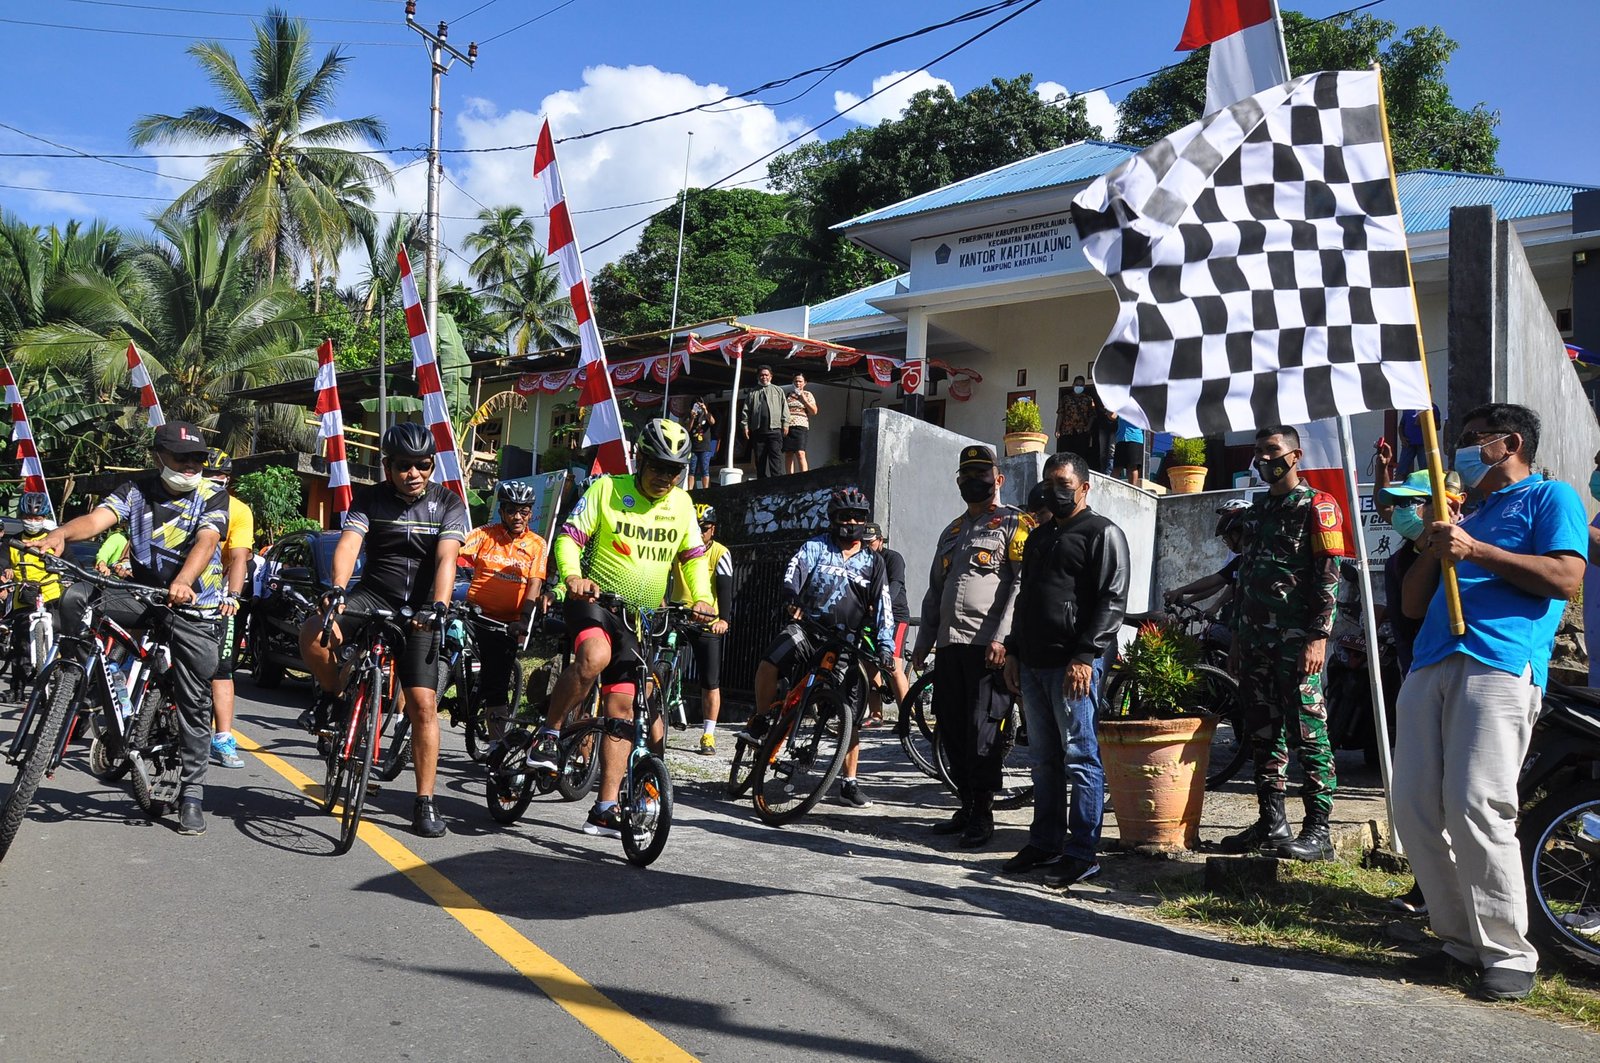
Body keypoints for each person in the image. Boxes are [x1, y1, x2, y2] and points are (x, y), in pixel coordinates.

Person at [1394, 403, 1587, 1002]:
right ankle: (1457, 940)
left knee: (1478, 804)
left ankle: (1509, 951)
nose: (1463, 450)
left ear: (1509, 443)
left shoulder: (1550, 498)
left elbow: (1565, 578)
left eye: (1473, 439)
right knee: (1416, 808)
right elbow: (1408, 603)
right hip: (1432, 659)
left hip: (1500, 662)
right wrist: (1434, 543)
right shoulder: (1466, 510)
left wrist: (1477, 552)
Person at [525, 419, 714, 838]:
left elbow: (694, 557)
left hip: (639, 618)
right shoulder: (607, 490)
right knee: (594, 658)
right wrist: (573, 576)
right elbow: (570, 537)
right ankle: (550, 733)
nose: (666, 477)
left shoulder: (682, 505)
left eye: (675, 470)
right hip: (596, 602)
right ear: (641, 460)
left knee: (622, 710)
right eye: (659, 467)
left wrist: (703, 598)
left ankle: (605, 806)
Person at [43, 421, 227, 836]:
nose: (191, 465)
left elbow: (207, 541)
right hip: (143, 594)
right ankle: (74, 678)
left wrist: (184, 580)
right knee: (76, 596)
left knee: (194, 700)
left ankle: (192, 793)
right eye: (182, 457)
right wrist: (61, 533)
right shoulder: (135, 489)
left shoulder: (212, 493)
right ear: (158, 456)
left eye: (198, 458)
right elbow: (97, 519)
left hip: (195, 606)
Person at [298, 423, 469, 839]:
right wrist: (338, 589)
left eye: (423, 465)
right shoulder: (370, 498)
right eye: (405, 466)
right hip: (373, 596)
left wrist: (441, 606)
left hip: (424, 609)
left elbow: (448, 558)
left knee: (424, 706)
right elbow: (349, 544)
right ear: (388, 466)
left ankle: (425, 802)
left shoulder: (448, 503)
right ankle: (338, 696)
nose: (415, 473)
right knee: (314, 633)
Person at [1221, 425, 1348, 862]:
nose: (1263, 459)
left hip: (1297, 643)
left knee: (1308, 733)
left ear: (1295, 456)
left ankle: (1319, 831)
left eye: (1272, 451)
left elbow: (1329, 579)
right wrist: (1237, 636)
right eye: (1258, 451)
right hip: (1255, 640)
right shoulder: (1255, 512)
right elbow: (1245, 577)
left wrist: (1318, 637)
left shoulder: (1318, 506)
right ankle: (1271, 822)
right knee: (1262, 732)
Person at [1001, 452, 1128, 885]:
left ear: (1084, 487)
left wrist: (1085, 655)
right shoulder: (1039, 537)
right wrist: (1014, 650)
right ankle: (1044, 842)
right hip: (1033, 663)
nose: (1055, 491)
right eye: (1049, 482)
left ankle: (1082, 851)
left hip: (1074, 665)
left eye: (1064, 483)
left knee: (1080, 756)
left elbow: (1112, 601)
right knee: (1042, 759)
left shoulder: (1103, 533)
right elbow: (1025, 599)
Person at [737, 486, 895, 808]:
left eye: (857, 517)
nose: (851, 522)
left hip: (844, 644)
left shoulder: (874, 562)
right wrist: (790, 598)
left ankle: (849, 782)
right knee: (769, 663)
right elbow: (793, 572)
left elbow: (884, 607)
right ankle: (762, 717)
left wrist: (885, 646)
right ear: (832, 518)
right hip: (807, 630)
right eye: (844, 516)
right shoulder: (816, 547)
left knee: (848, 714)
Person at [910, 445, 1029, 847]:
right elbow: (934, 593)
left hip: (986, 647)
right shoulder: (952, 531)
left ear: (998, 479)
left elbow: (1019, 584)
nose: (971, 480)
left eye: (981, 473)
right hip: (949, 647)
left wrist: (1002, 638)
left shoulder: (1016, 524)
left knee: (983, 732)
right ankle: (965, 804)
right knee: (952, 727)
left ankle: (983, 813)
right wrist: (922, 646)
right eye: (965, 474)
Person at [460, 480, 549, 741]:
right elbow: (453, 549)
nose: (517, 516)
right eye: (511, 510)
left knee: (496, 685)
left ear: (531, 513)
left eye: (524, 511)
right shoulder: (484, 534)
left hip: (507, 623)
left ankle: (497, 745)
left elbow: (535, 582)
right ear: (502, 511)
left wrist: (524, 620)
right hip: (475, 614)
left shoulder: (537, 544)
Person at [202, 449, 252, 771]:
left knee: (222, 667)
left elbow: (238, 558)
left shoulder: (239, 511)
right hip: (169, 586)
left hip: (214, 593)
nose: (213, 485)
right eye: (208, 479)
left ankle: (222, 737)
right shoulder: (181, 499)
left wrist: (232, 595)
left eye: (219, 481)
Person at [672, 503, 733, 755]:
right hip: (678, 615)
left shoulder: (720, 553)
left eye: (705, 529)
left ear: (713, 529)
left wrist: (724, 620)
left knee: (710, 681)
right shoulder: (678, 548)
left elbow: (725, 588)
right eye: (696, 528)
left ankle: (708, 734)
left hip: (707, 620)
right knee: (654, 665)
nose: (700, 533)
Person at [1164, 499, 1250, 650]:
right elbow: (1220, 580)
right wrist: (1186, 596)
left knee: (1203, 642)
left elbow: (1221, 583)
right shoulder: (1240, 559)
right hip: (1236, 622)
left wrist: (1215, 605)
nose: (1227, 543)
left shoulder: (1254, 560)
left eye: (1227, 537)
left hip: (1250, 629)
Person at [2, 492, 63, 693]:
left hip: (51, 593)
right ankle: (17, 689)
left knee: (63, 639)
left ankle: (64, 684)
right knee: (20, 645)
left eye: (37, 518)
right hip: (24, 595)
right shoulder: (12, 541)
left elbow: (71, 561)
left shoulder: (53, 539)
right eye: (28, 517)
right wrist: (5, 570)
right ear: (21, 517)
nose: (33, 522)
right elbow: (2, 561)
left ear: (45, 518)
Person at [861, 522, 910, 729]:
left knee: (893, 666)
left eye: (870, 543)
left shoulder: (893, 558)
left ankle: (905, 716)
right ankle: (875, 714)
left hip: (895, 617)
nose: (866, 547)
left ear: (880, 540)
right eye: (863, 543)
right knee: (870, 665)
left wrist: (881, 605)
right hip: (870, 619)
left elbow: (895, 587)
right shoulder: (862, 560)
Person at [739, 365, 790, 480]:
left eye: (766, 375)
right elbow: (745, 411)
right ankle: (761, 482)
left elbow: (785, 409)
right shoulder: (752, 393)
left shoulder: (778, 390)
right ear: (758, 376)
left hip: (775, 430)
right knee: (759, 459)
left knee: (775, 458)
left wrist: (785, 424)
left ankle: (776, 481)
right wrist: (745, 426)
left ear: (771, 376)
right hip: (758, 431)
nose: (764, 377)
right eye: (761, 375)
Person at [784, 372, 819, 475]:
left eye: (800, 381)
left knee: (800, 452)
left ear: (805, 383)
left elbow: (814, 411)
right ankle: (788, 476)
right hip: (788, 426)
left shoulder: (808, 395)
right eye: (796, 381)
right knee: (788, 453)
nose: (798, 383)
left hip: (801, 425)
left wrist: (804, 401)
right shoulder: (788, 395)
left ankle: (804, 475)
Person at [1055, 376, 1096, 457]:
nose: (1079, 387)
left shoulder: (1088, 399)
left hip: (1081, 432)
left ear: (1084, 386)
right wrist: (1057, 429)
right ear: (1073, 385)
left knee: (1080, 456)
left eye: (1081, 385)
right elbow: (1060, 414)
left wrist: (1088, 427)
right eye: (1077, 384)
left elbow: (1093, 415)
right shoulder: (1066, 398)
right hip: (1067, 431)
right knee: (1065, 456)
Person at [685, 397, 718, 491]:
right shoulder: (690, 415)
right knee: (692, 470)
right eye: (695, 405)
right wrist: (692, 418)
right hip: (693, 447)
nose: (698, 407)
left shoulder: (706, 414)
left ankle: (706, 489)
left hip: (705, 448)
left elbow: (712, 422)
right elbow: (688, 429)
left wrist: (705, 410)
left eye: (699, 404)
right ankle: (690, 489)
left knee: (705, 470)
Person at [1108, 410, 1145, 486]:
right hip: (1121, 438)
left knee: (1132, 467)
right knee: (1117, 467)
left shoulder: (1138, 406)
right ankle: (1110, 487)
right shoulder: (1122, 405)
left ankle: (1133, 489)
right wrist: (1110, 407)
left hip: (1135, 438)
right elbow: (1112, 417)